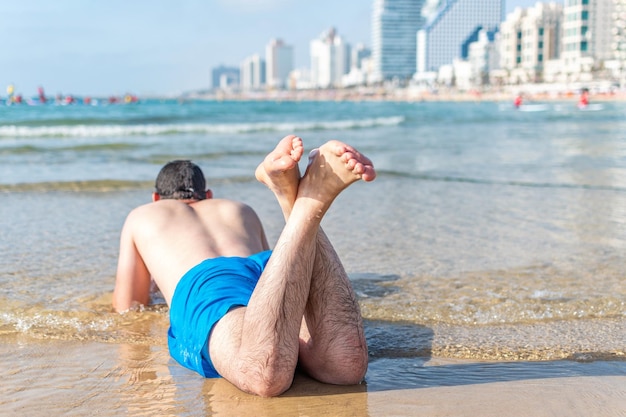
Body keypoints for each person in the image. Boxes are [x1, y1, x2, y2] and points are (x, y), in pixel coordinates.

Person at [113, 135, 376, 397]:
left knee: (262, 373)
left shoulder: (143, 214)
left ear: (156, 197)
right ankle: (293, 201)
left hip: (207, 283)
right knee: (345, 367)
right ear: (208, 195)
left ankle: (309, 204)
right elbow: (283, 266)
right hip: (264, 267)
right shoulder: (239, 208)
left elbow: (128, 305)